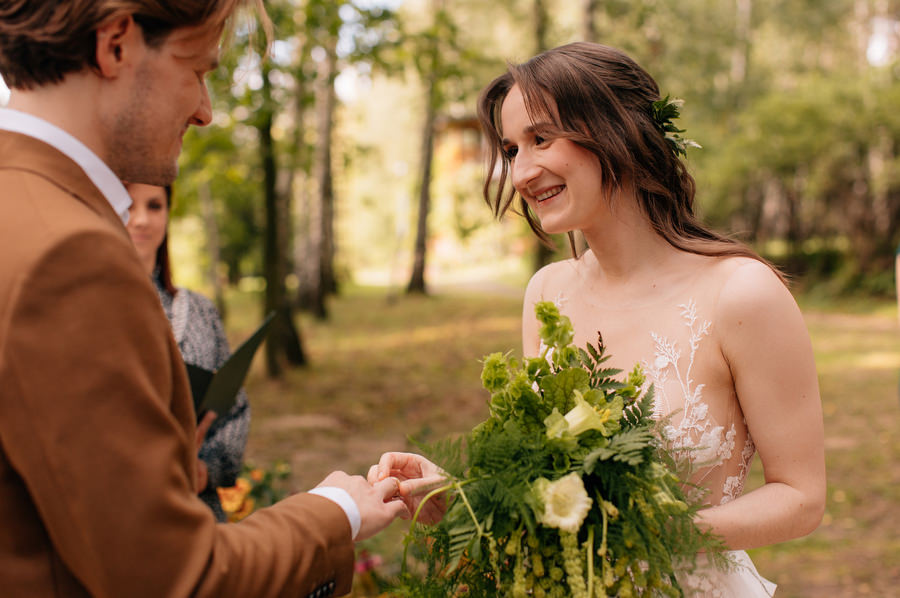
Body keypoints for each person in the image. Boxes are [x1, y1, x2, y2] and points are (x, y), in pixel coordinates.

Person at [0, 2, 443, 597]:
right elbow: (171, 578)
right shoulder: (71, 255)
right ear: (116, 45)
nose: (205, 111)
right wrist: (336, 511)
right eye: (198, 70)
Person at [476, 42, 825, 596]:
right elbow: (547, 475)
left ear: (618, 132)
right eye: (511, 148)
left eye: (542, 139)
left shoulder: (741, 294)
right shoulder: (547, 293)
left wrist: (659, 532)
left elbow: (802, 498)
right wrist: (461, 498)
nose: (521, 172)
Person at [126, 182, 250, 522]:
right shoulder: (84, 309)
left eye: (154, 206)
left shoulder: (199, 310)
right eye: (127, 205)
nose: (140, 220)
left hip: (198, 513)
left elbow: (234, 406)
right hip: (119, 515)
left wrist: (205, 469)